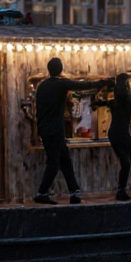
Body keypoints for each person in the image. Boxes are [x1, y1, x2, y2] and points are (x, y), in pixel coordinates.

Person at [31, 57, 112, 205]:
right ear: (60, 69)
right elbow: (84, 85)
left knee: (65, 161)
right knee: (54, 162)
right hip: (55, 129)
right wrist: (103, 82)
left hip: (44, 129)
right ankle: (42, 192)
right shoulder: (61, 84)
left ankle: (74, 191)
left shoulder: (41, 87)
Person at [91, 73, 131, 201]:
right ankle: (123, 191)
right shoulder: (128, 101)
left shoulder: (114, 102)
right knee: (129, 162)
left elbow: (95, 103)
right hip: (120, 134)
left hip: (116, 133)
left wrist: (99, 88)